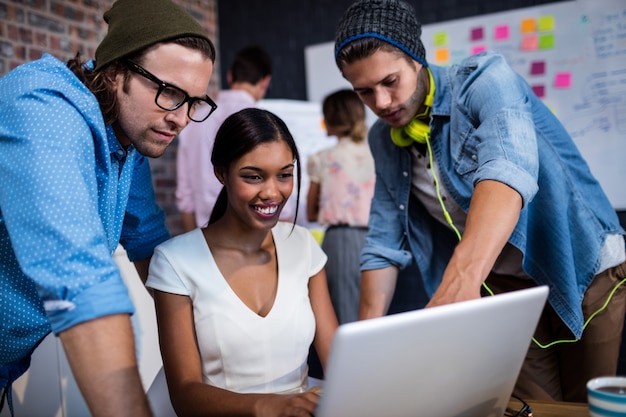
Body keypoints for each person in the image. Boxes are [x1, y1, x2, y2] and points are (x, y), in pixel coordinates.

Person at [333, 0, 626, 403]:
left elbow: (508, 168)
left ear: (416, 59)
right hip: (503, 286)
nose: (381, 102)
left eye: (390, 81)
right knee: (528, 408)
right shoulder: (382, 140)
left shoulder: (484, 80)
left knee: (584, 408)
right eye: (364, 92)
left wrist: (461, 280)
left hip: (580, 264)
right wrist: (364, 350)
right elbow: (384, 241)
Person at [0, 0, 217, 415]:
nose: (183, 119)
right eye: (170, 92)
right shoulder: (45, 110)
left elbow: (148, 241)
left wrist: (217, 336)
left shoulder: (126, 132)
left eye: (194, 101)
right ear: (116, 72)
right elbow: (80, 283)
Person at [146, 108, 338, 417]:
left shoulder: (303, 246)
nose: (272, 193)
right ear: (221, 173)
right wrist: (270, 406)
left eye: (285, 175)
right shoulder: (174, 261)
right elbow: (185, 395)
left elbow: (338, 362)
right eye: (253, 177)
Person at [176, 45, 277, 232]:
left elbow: (185, 194)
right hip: (257, 233)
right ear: (265, 81)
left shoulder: (194, 119)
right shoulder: (269, 123)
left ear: (230, 76)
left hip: (205, 234)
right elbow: (277, 186)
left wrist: (193, 242)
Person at [306, 89, 375, 324]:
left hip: (342, 241)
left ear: (330, 119)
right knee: (375, 316)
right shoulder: (378, 153)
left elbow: (310, 212)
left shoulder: (323, 158)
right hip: (380, 240)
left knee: (345, 318)